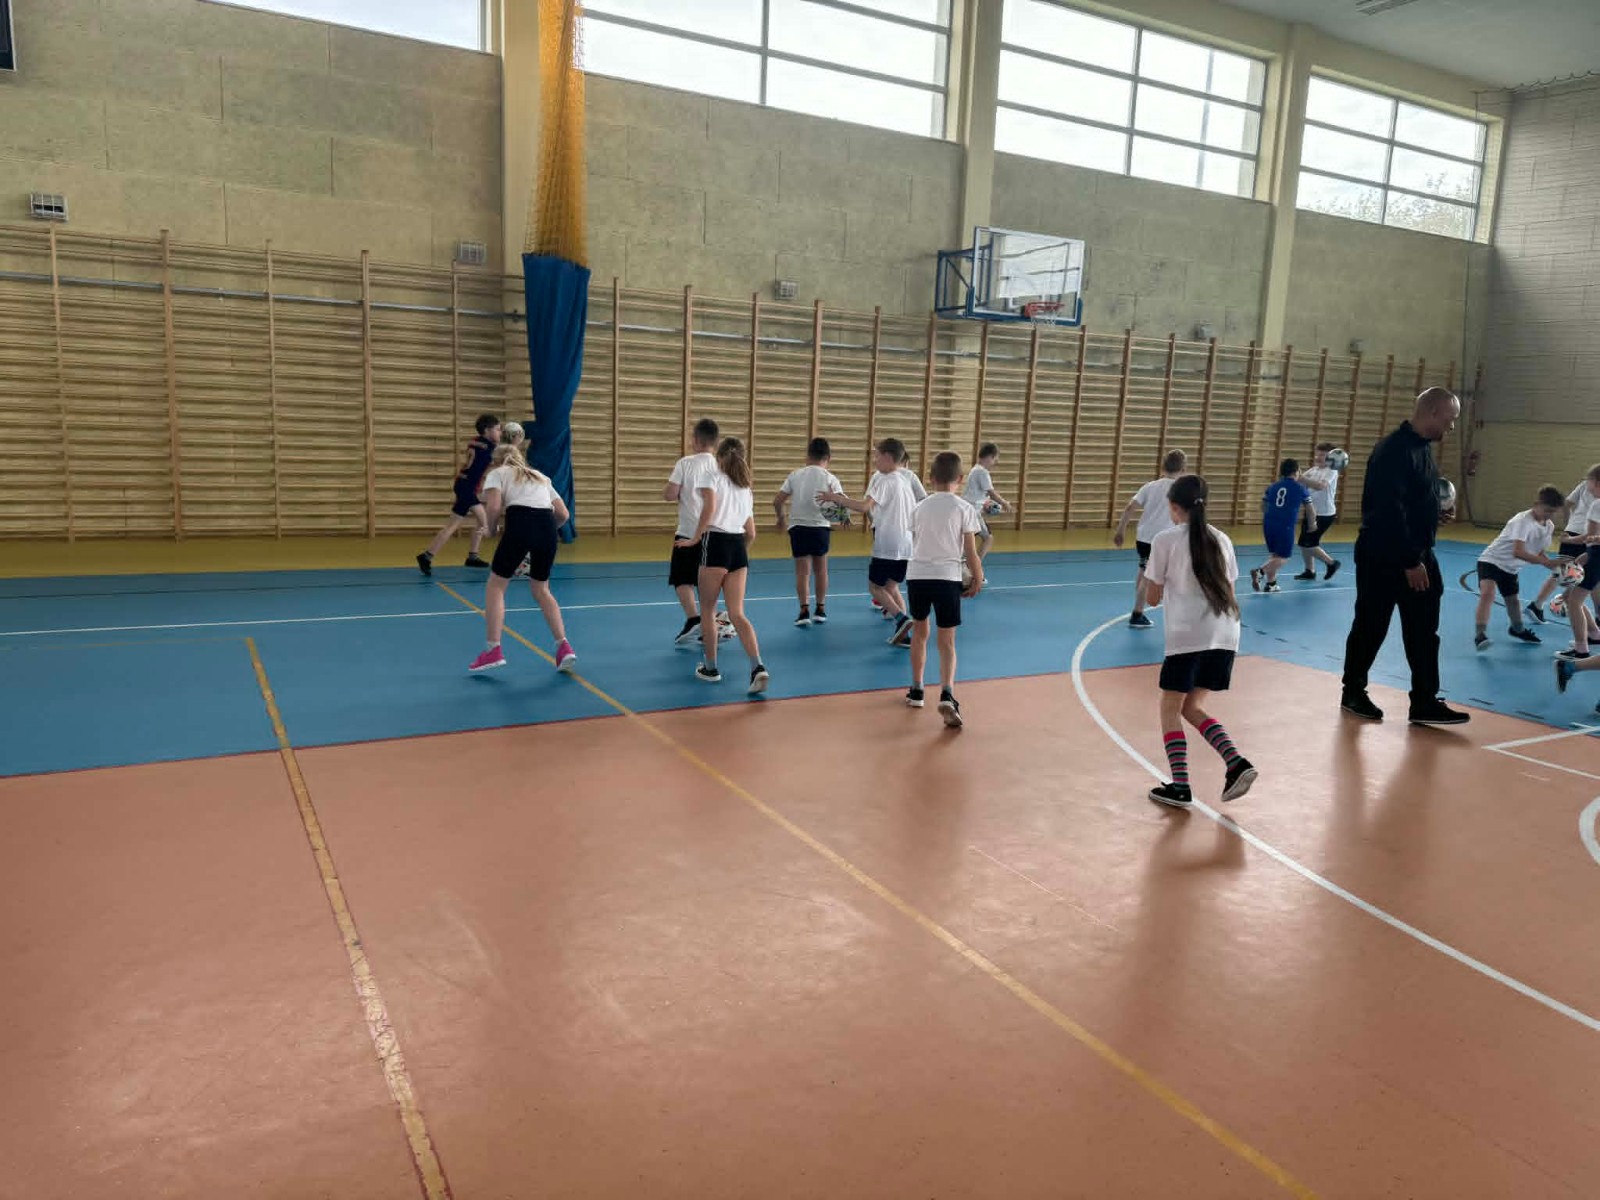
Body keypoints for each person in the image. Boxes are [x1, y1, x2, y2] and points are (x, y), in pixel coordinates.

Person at [1340, 387, 1469, 725]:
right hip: (1384, 557)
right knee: (1371, 625)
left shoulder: (1422, 449)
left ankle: (1424, 700)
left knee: (1424, 630)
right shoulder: (1393, 451)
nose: (1452, 426)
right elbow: (1386, 511)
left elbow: (1412, 501)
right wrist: (1410, 561)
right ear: (1433, 412)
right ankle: (1353, 691)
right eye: (1451, 419)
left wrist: (1434, 515)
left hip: (1420, 552)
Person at [1142, 474, 1257, 808]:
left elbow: (1151, 598)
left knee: (1170, 708)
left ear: (1174, 506)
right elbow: (1230, 590)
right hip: (1226, 634)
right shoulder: (1222, 539)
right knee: (1191, 707)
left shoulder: (1165, 540)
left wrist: (1159, 578)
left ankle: (1180, 785)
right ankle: (1236, 762)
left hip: (1188, 635)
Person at [467, 443, 576, 674]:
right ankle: (564, 647)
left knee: (496, 586)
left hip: (520, 523)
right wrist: (545, 534)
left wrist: (491, 529)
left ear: (496, 461)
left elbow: (494, 507)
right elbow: (563, 514)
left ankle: (493, 649)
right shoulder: (540, 477)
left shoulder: (497, 473)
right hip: (548, 527)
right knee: (542, 590)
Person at [681, 437, 769, 693]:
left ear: (719, 457)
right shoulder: (745, 487)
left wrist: (695, 538)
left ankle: (710, 668)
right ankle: (757, 666)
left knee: (708, 610)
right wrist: (738, 555)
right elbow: (751, 532)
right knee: (737, 613)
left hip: (716, 543)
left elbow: (709, 509)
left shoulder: (712, 476)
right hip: (738, 549)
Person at [904, 451, 984, 728]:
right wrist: (978, 576)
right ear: (960, 479)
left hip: (917, 576)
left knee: (920, 632)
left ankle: (917, 690)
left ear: (930, 478)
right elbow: (970, 551)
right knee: (947, 641)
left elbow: (916, 542)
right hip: (947, 578)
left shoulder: (919, 507)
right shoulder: (964, 508)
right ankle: (947, 693)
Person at [820, 438, 918, 644]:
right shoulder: (905, 481)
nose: (874, 460)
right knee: (891, 587)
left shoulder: (885, 480)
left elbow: (864, 507)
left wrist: (835, 498)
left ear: (888, 457)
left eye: (877, 455)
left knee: (875, 588)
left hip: (888, 543)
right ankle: (905, 633)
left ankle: (901, 619)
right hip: (906, 544)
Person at [1472, 486, 1565, 651]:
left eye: (1553, 512)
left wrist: (1553, 566)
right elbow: (1518, 552)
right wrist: (1546, 563)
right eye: (1547, 510)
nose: (1549, 515)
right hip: (1491, 561)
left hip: (1511, 568)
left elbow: (1538, 551)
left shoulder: (1548, 526)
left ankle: (1517, 629)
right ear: (1536, 504)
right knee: (1488, 593)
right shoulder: (1522, 521)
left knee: (1513, 602)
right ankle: (1480, 634)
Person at [663, 418, 730, 647]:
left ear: (694, 440)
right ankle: (710, 624)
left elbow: (670, 494)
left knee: (682, 578)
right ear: (716, 442)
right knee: (708, 583)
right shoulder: (721, 466)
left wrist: (674, 490)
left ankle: (694, 618)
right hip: (715, 533)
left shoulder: (685, 463)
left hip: (687, 532)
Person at [1112, 449, 1187, 630]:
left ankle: (1141, 607)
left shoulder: (1150, 486)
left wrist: (1120, 530)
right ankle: (1138, 613)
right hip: (1163, 540)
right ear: (1183, 469)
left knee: (1144, 570)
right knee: (1155, 575)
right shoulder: (1180, 489)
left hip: (1143, 537)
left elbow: (1130, 507)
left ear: (1162, 466)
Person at [417, 413, 500, 576]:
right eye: (497, 429)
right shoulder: (488, 447)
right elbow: (499, 458)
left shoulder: (476, 442)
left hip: (463, 484)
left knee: (453, 524)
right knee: (486, 523)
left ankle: (432, 556)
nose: (500, 433)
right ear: (487, 430)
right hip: (467, 488)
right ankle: (429, 556)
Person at [774, 437, 844, 627]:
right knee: (821, 570)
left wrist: (781, 518)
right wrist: (839, 517)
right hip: (820, 527)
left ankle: (803, 611)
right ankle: (820, 609)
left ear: (807, 456)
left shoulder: (795, 475)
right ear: (828, 458)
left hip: (798, 527)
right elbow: (841, 504)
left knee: (802, 572)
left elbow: (777, 501)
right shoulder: (830, 478)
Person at [1529, 466, 1600, 624]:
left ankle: (1538, 604)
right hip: (1586, 536)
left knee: (1571, 571)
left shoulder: (1584, 485)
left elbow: (1567, 504)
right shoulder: (1590, 490)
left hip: (1576, 531)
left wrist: (1569, 523)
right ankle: (1538, 604)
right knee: (1574, 572)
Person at [1251, 460, 1314, 593]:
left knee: (1275, 555)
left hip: (1268, 524)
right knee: (1284, 557)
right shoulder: (1300, 488)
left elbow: (1263, 506)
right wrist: (1312, 524)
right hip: (1285, 525)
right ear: (1296, 472)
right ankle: (1260, 572)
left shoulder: (1273, 486)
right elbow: (1310, 509)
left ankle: (1271, 584)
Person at [1294, 442, 1344, 582]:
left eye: (1322, 455)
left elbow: (1320, 486)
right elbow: (1299, 482)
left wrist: (1302, 478)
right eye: (1317, 454)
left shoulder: (1331, 471)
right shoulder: (1313, 470)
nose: (1318, 457)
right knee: (1304, 543)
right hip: (1311, 512)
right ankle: (1310, 571)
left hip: (1324, 514)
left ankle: (1331, 563)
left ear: (1330, 457)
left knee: (1308, 543)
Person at [962, 442, 1011, 563]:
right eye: (994, 459)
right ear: (989, 457)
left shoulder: (975, 469)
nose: (994, 463)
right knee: (988, 538)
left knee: (968, 540)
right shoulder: (982, 472)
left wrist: (986, 504)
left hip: (969, 510)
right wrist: (1004, 503)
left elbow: (979, 494)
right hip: (972, 512)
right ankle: (973, 567)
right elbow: (991, 492)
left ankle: (967, 565)